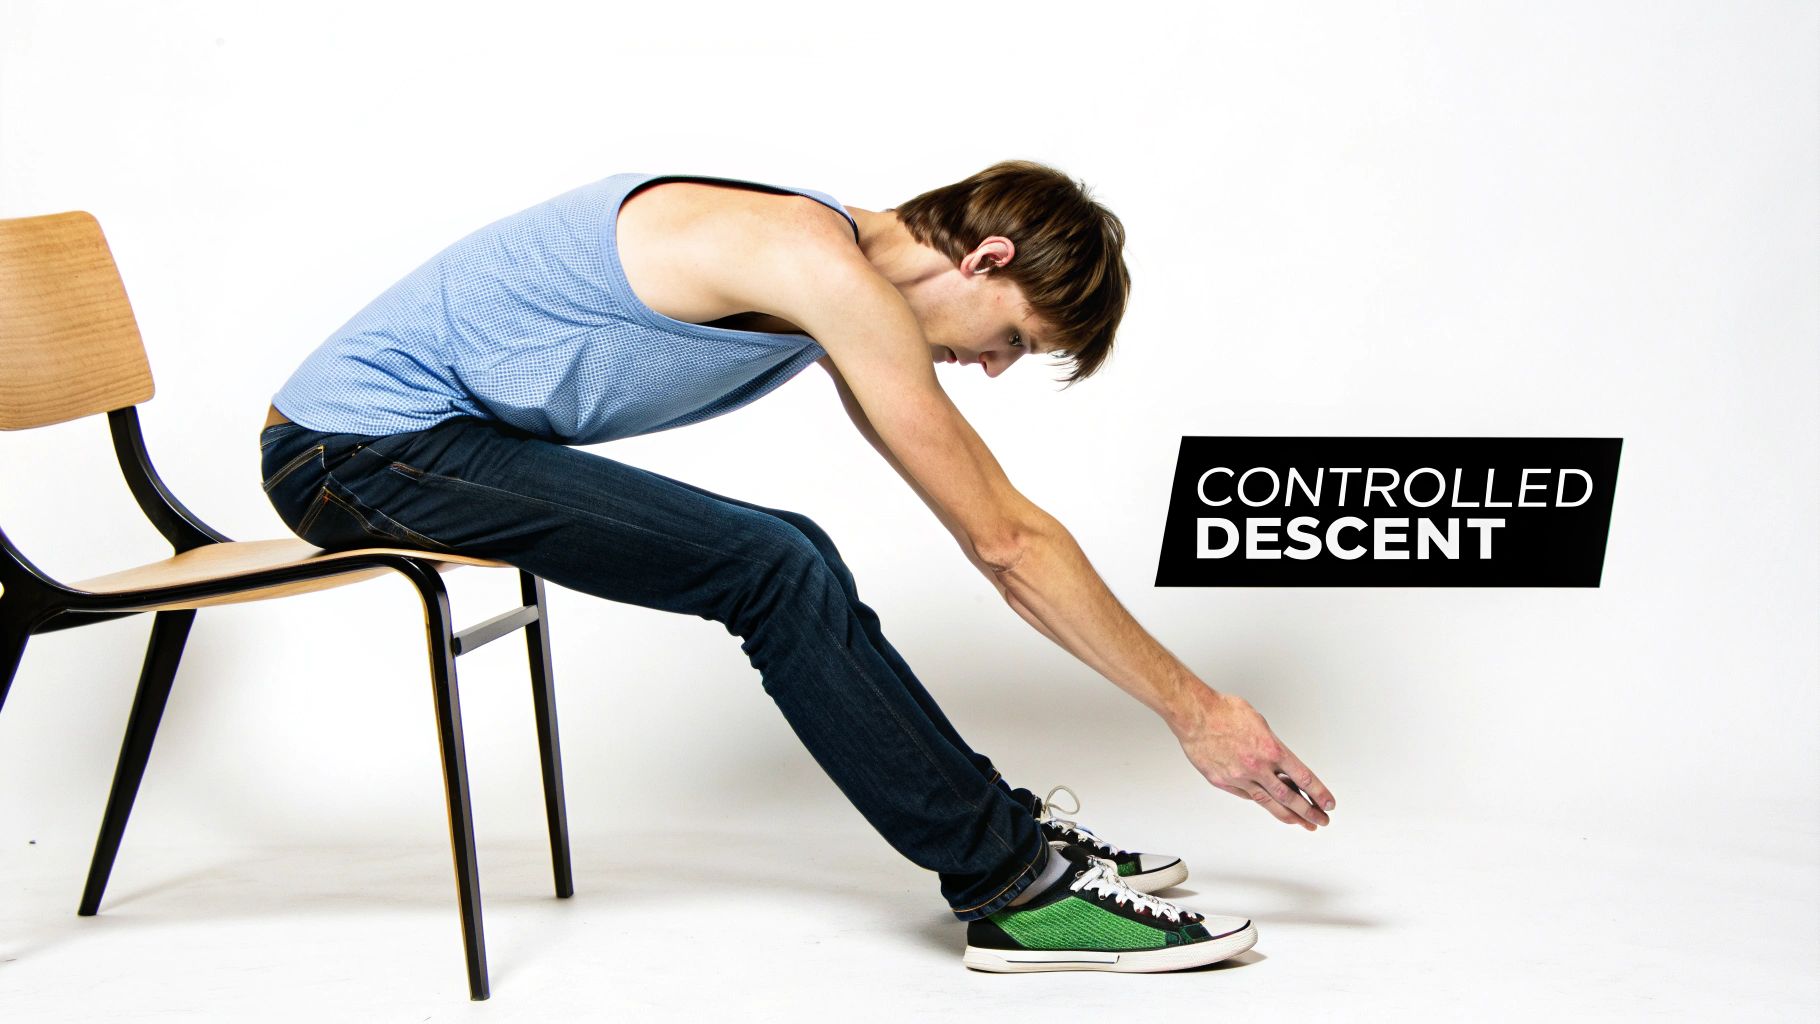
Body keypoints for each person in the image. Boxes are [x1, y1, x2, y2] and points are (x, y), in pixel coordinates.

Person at [257, 160, 1336, 974]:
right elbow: (1005, 540)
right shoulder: (808, 262)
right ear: (984, 259)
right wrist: (1193, 709)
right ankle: (1012, 885)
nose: (992, 369)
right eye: (1009, 337)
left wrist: (1184, 705)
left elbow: (986, 528)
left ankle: (996, 831)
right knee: (769, 563)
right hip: (350, 452)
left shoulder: (829, 276)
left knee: (790, 553)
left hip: (408, 443)